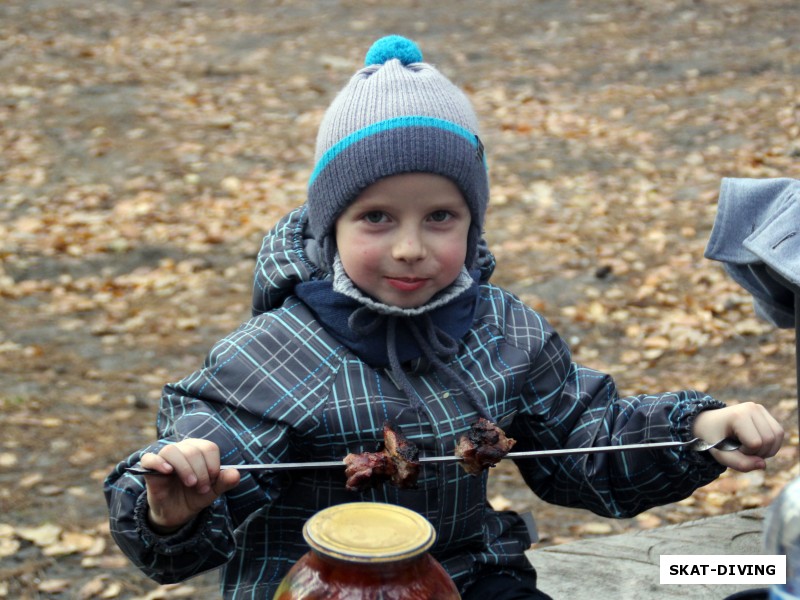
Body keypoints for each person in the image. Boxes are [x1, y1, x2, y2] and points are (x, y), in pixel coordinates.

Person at [104, 35, 784, 600]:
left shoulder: (505, 332)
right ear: (327, 226)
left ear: (473, 222)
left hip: (468, 580)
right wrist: (169, 509)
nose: (410, 247)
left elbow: (584, 441)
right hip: (316, 588)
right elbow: (193, 492)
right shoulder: (272, 359)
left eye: (440, 217)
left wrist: (692, 431)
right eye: (375, 217)